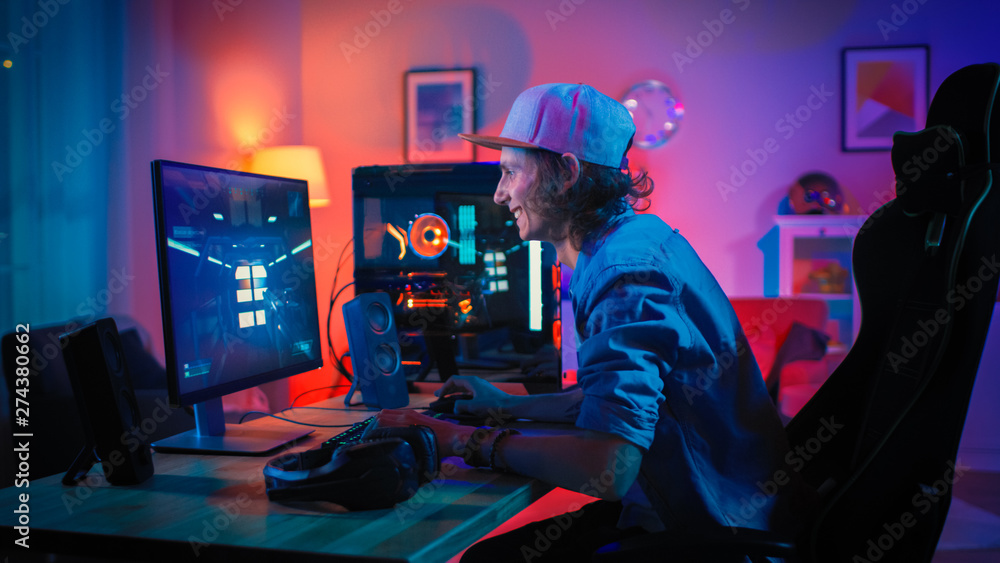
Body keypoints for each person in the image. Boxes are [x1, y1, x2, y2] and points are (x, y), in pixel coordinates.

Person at [373, 83, 806, 560]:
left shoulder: (624, 275)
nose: (499, 195)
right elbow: (623, 402)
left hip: (716, 539)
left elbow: (610, 464)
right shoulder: (630, 242)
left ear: (566, 174)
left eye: (511, 173)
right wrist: (502, 405)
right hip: (703, 516)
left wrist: (461, 439)